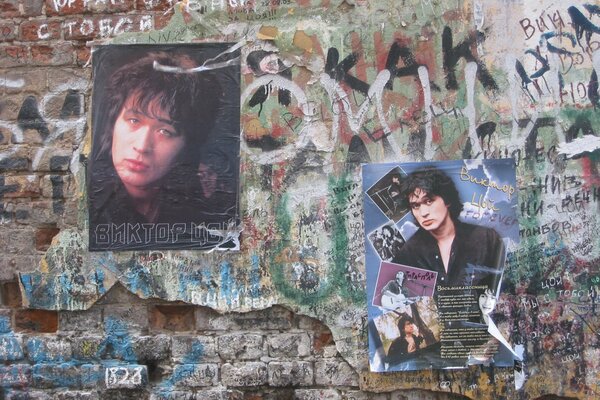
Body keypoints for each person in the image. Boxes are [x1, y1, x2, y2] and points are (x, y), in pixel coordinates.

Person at [89, 49, 233, 249]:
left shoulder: (204, 210)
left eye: (165, 132)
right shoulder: (92, 206)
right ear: (113, 122)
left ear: (187, 145)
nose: (142, 146)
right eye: (133, 120)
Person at [392, 166, 505, 288]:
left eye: (429, 201)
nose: (423, 212)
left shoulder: (487, 238)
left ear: (447, 200)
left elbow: (504, 285)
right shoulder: (408, 254)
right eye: (415, 206)